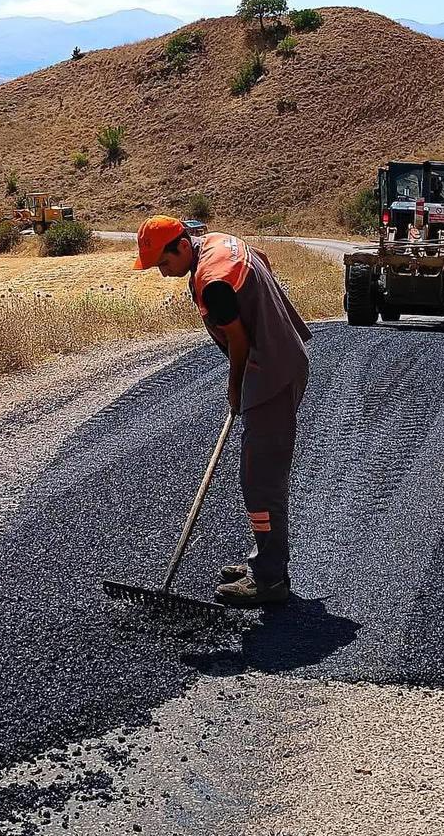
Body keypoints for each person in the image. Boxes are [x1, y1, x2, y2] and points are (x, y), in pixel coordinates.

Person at [133, 216, 311, 607]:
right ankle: (264, 560)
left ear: (182, 246)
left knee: (260, 480)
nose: (163, 273)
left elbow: (238, 341)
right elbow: (260, 257)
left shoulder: (212, 283)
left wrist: (236, 389)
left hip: (271, 372)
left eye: (164, 263)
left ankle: (269, 579)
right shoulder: (219, 241)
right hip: (283, 357)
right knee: (258, 475)